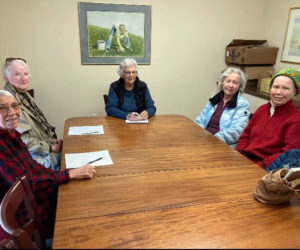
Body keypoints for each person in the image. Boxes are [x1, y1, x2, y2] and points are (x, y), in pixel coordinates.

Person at [0, 90, 96, 242]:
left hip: (36, 195)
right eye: (2, 108)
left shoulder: (13, 136)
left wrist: (66, 174)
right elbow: (25, 185)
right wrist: (67, 175)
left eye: (14, 106)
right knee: (85, 209)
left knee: (84, 192)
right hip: (27, 213)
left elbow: (35, 168)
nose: (11, 112)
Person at [3, 58, 61, 171]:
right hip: (33, 159)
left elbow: (38, 129)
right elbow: (23, 140)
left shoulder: (24, 94)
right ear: (6, 79)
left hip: (41, 149)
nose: (23, 78)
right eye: (17, 74)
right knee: (70, 159)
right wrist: (50, 147)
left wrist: (51, 141)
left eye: (26, 74)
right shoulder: (8, 102)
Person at [237, 68, 300, 171]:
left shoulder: (296, 119)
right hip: (244, 160)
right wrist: (239, 153)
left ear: (294, 92)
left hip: (266, 168)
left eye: (285, 88)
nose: (279, 92)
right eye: (275, 87)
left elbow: (287, 155)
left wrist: (258, 166)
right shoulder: (262, 109)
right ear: (270, 88)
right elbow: (245, 135)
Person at [194, 67, 250, 148]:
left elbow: (236, 132)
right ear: (223, 82)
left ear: (239, 86)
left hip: (223, 145)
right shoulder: (215, 98)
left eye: (235, 83)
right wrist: (196, 134)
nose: (230, 85)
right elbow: (200, 120)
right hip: (204, 140)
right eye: (228, 81)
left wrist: (212, 139)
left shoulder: (242, 104)